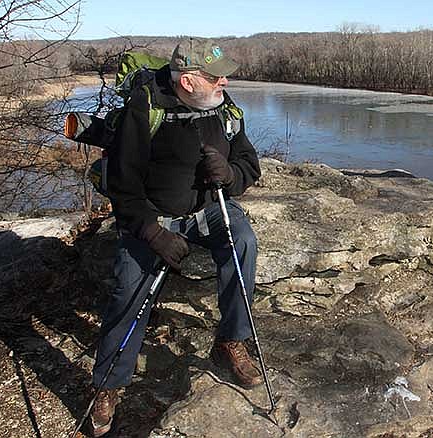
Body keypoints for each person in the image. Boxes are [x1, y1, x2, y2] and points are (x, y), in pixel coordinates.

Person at [89, 38, 262, 437]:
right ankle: (109, 384)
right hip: (152, 217)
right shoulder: (145, 108)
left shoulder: (224, 109)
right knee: (128, 290)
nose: (223, 81)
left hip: (209, 210)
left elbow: (249, 162)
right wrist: (151, 232)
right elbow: (122, 184)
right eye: (214, 76)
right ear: (187, 81)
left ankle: (231, 341)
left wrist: (231, 174)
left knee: (244, 242)